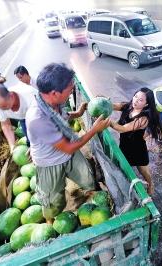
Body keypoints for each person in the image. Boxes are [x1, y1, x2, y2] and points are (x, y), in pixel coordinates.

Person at [25, 63, 110, 223]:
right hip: (50, 162)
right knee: (52, 201)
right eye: (70, 88)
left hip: (69, 152)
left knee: (87, 178)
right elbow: (69, 147)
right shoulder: (37, 118)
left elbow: (62, 116)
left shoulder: (54, 101)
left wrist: (78, 113)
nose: (72, 90)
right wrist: (94, 129)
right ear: (55, 93)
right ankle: (50, 221)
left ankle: (91, 197)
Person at [110, 88, 162, 194]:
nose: (135, 100)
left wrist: (106, 121)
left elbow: (123, 128)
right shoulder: (128, 106)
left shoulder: (143, 119)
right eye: (135, 96)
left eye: (140, 100)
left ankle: (151, 184)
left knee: (143, 170)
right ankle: (125, 187)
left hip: (137, 148)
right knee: (124, 167)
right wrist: (101, 103)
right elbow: (112, 106)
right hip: (124, 144)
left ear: (146, 104)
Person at [0, 83, 36, 151]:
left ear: (11, 96)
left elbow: (41, 122)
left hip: (40, 114)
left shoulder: (29, 95)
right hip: (23, 117)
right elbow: (6, 125)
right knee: (30, 143)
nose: (2, 110)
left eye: (4, 106)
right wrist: (12, 145)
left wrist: (35, 145)